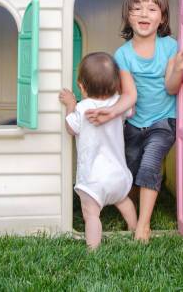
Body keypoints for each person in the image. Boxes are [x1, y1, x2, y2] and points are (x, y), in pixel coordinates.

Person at [86, 0, 183, 242]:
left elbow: (171, 87)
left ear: (162, 17)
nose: (144, 14)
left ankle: (143, 226)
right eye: (136, 9)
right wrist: (110, 113)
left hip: (164, 121)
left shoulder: (169, 46)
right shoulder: (122, 54)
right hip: (134, 123)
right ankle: (130, 209)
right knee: (131, 168)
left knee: (149, 165)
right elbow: (130, 95)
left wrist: (178, 67)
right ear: (128, 16)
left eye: (152, 9)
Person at [59, 52, 137, 250]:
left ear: (81, 87)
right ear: (116, 84)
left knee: (91, 213)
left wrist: (70, 104)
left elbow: (70, 128)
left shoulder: (83, 108)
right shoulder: (118, 105)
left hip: (93, 180)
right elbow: (131, 110)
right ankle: (135, 229)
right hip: (118, 175)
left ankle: (93, 248)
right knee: (124, 202)